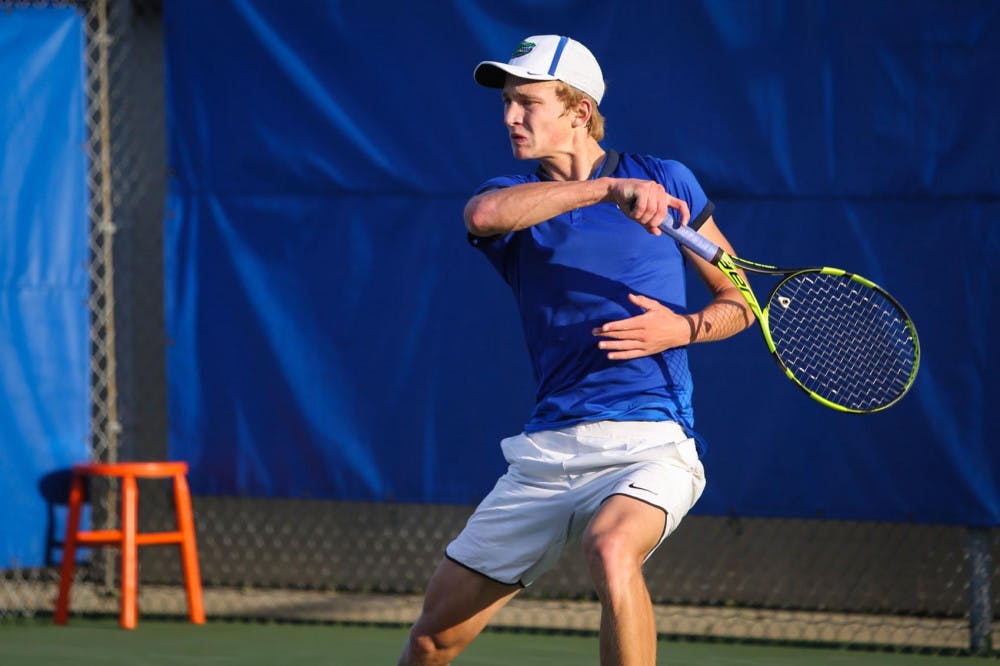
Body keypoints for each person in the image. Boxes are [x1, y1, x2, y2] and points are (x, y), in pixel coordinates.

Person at [398, 35, 754, 666]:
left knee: (612, 547)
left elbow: (741, 297)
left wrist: (685, 329)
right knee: (431, 640)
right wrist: (605, 191)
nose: (510, 116)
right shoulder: (515, 197)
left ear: (578, 111)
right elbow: (483, 216)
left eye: (526, 102)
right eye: (507, 102)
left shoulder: (669, 181)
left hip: (651, 443)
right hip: (547, 454)